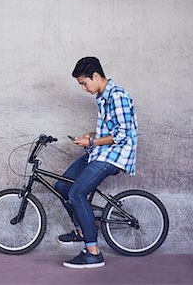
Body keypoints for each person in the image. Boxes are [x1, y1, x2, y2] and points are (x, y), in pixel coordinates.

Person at [55, 56, 138, 269]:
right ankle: (82, 229)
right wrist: (89, 136)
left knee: (77, 193)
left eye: (84, 83)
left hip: (114, 155)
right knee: (62, 186)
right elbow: (109, 130)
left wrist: (92, 141)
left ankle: (92, 252)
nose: (84, 88)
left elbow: (122, 134)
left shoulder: (117, 96)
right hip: (100, 152)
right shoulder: (102, 97)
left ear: (96, 76)